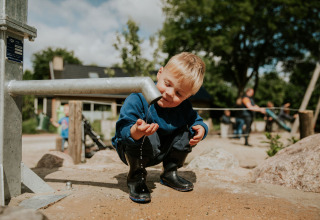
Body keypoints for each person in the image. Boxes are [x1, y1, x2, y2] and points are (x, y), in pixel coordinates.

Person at [112, 52, 208, 203]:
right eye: (167, 84)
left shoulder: (184, 107)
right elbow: (122, 131)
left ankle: (170, 172)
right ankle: (136, 177)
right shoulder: (138, 98)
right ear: (160, 73)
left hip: (160, 150)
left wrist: (201, 129)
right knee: (146, 132)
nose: (169, 93)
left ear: (187, 97)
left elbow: (197, 120)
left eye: (179, 93)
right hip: (132, 148)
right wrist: (136, 131)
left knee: (188, 130)